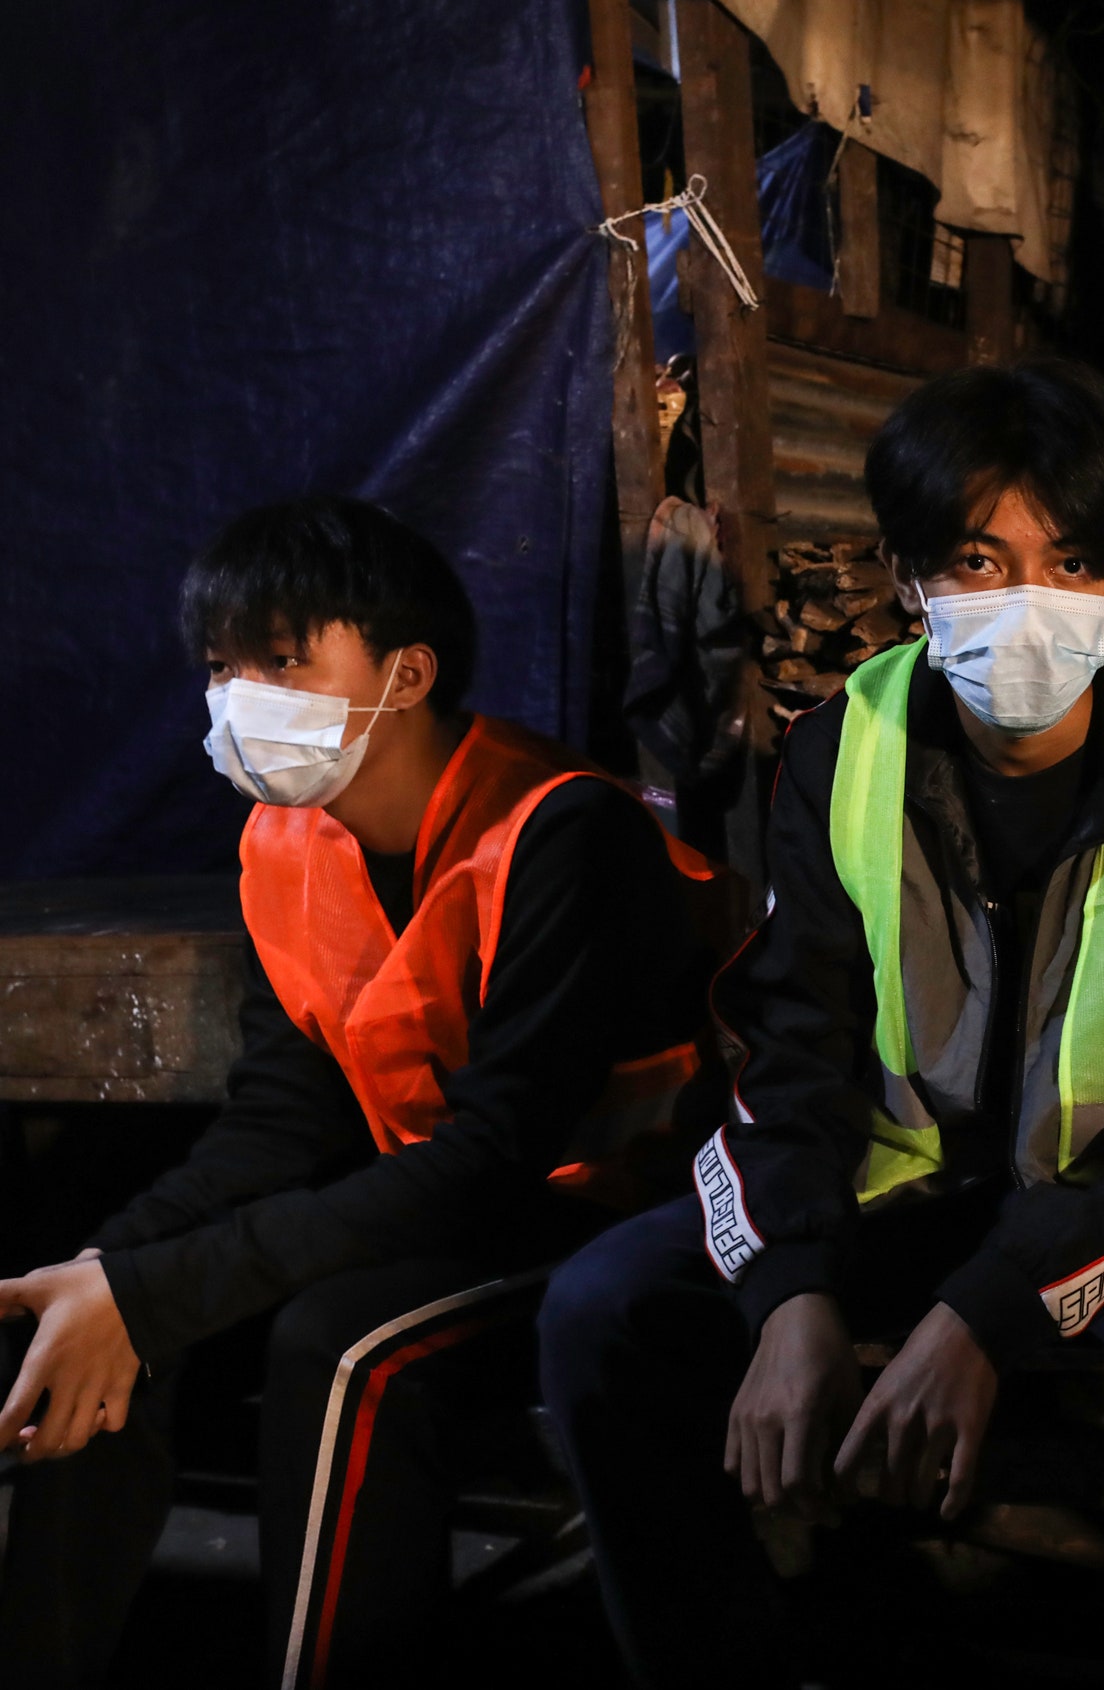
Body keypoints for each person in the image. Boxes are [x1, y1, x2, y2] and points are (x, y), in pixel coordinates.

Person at [538, 358, 1104, 1689]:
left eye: (1071, 559)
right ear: (908, 574)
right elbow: (787, 1041)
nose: (1028, 604)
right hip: (906, 1196)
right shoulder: (837, 746)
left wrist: (987, 1311)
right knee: (599, 1309)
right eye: (978, 559)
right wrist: (792, 1284)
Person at [0, 497, 719, 1690]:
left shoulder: (562, 831)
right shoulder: (288, 839)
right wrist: (114, 1272)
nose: (240, 697)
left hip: (607, 1214)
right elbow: (285, 1117)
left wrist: (157, 1281)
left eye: (283, 658)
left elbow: (498, 1153)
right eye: (224, 665)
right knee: (95, 1314)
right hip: (432, 1196)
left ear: (406, 671)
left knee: (343, 1347)